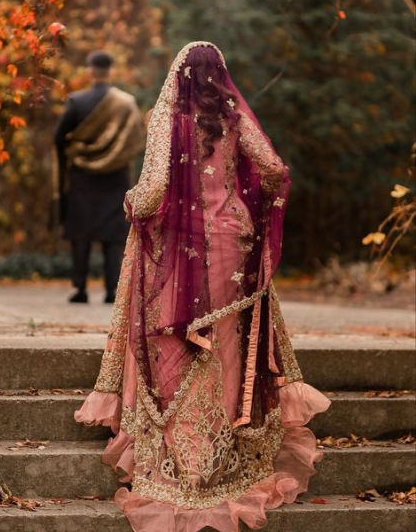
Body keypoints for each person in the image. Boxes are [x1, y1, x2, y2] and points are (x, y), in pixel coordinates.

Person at [74, 42, 331, 531]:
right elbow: (275, 171)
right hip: (235, 244)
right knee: (228, 347)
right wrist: (253, 202)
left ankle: (190, 462)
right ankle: (229, 451)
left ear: (179, 76)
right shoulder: (235, 117)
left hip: (185, 249)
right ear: (220, 78)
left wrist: (131, 206)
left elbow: (150, 192)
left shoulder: (167, 118)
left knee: (182, 346)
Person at [54, 50, 145, 304]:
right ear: (110, 71)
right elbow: (137, 141)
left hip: (82, 180)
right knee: (113, 236)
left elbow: (57, 137)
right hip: (115, 180)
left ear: (89, 71)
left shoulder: (76, 102)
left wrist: (73, 155)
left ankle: (80, 289)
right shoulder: (126, 104)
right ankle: (112, 290)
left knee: (81, 234)